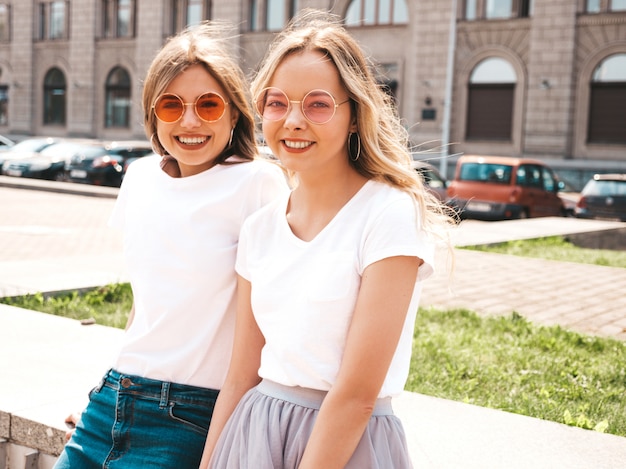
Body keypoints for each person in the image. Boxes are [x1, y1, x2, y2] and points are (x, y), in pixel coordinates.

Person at [200, 9, 454, 469]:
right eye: (277, 103)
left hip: (348, 443)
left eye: (317, 104)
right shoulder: (259, 228)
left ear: (354, 115)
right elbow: (239, 376)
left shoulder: (389, 214)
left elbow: (357, 395)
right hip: (254, 432)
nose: (293, 120)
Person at [53, 21, 288, 469]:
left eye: (209, 104)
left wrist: (218, 448)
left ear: (235, 113)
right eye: (171, 105)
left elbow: (262, 334)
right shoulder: (140, 177)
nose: (190, 120)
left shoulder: (258, 184)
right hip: (112, 399)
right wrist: (100, 393)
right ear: (152, 113)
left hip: (190, 414)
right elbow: (148, 309)